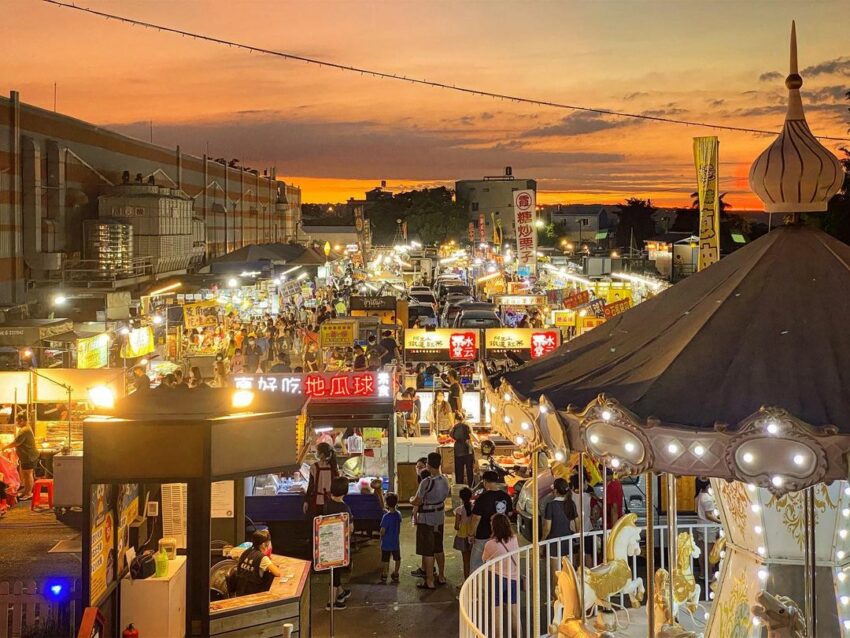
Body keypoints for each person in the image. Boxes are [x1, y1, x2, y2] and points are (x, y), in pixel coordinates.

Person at [411, 452, 450, 590]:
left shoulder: (426, 482)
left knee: (428, 550)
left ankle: (430, 580)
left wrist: (411, 500)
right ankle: (442, 576)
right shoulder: (445, 480)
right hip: (439, 517)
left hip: (426, 519)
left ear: (428, 465)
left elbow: (417, 500)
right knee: (439, 547)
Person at [482, 513, 520, 637]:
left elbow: (484, 559)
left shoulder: (490, 544)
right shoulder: (514, 539)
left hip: (497, 578)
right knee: (514, 612)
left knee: (497, 612)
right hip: (513, 577)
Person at [468, 470, 513, 571]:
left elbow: (476, 518)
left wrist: (471, 534)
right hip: (502, 535)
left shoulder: (482, 498)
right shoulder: (506, 496)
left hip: (483, 535)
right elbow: (509, 514)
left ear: (484, 482)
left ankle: (476, 586)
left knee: (476, 563)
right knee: (498, 565)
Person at [323, 476, 353, 610]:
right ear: (345, 491)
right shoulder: (345, 508)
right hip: (339, 545)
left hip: (327, 542)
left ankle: (340, 592)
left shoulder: (327, 504)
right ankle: (331, 603)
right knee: (335, 573)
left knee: (334, 570)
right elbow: (350, 528)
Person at [232, 529, 283, 596]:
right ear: (263, 544)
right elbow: (277, 573)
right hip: (253, 594)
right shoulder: (262, 558)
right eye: (268, 542)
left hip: (240, 591)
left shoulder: (246, 552)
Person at [2, 415, 37, 500]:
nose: (17, 423)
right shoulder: (25, 429)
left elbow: (16, 443)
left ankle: (28, 493)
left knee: (28, 474)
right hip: (27, 456)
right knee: (26, 474)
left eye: (17, 421)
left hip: (28, 456)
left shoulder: (24, 430)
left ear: (22, 420)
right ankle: (27, 492)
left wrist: (4, 447)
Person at [542, 478, 578, 558]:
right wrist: (577, 536)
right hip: (567, 540)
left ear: (555, 491)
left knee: (555, 570)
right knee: (567, 569)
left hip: (554, 542)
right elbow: (577, 522)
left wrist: (542, 540)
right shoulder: (571, 503)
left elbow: (547, 528)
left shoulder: (551, 505)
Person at [303, 442, 339, 518]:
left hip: (317, 502)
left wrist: (306, 501)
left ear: (322, 454)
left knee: (318, 525)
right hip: (331, 501)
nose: (316, 453)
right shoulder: (334, 466)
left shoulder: (314, 467)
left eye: (317, 451)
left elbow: (311, 486)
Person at [695, 478, 720, 577]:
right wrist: (720, 521)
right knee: (709, 553)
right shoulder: (707, 498)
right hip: (708, 528)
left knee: (702, 552)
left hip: (700, 526)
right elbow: (708, 515)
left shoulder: (699, 495)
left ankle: (702, 572)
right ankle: (709, 574)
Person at [570, 474, 594, 567]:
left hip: (572, 530)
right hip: (587, 529)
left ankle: (575, 575)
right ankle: (589, 574)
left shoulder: (569, 497)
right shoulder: (589, 497)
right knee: (587, 554)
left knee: (574, 553)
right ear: (583, 483)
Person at [378, 492, 402, 584]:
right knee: (397, 558)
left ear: (386, 503)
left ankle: (385, 574)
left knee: (385, 559)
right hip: (395, 541)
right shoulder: (398, 514)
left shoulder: (385, 517)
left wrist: (381, 537)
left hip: (386, 543)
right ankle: (396, 573)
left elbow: (382, 530)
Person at [453, 487, 475, 579]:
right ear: (471, 496)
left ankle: (466, 582)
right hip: (473, 535)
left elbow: (456, 526)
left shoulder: (459, 510)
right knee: (474, 560)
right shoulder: (475, 507)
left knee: (466, 562)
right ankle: (474, 581)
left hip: (462, 536)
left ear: (460, 497)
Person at [449, 412, 474, 487]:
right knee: (470, 471)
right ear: (463, 418)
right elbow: (471, 435)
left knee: (459, 471)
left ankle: (459, 488)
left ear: (456, 419)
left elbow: (452, 435)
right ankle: (471, 487)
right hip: (468, 450)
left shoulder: (454, 427)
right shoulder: (466, 426)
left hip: (458, 451)